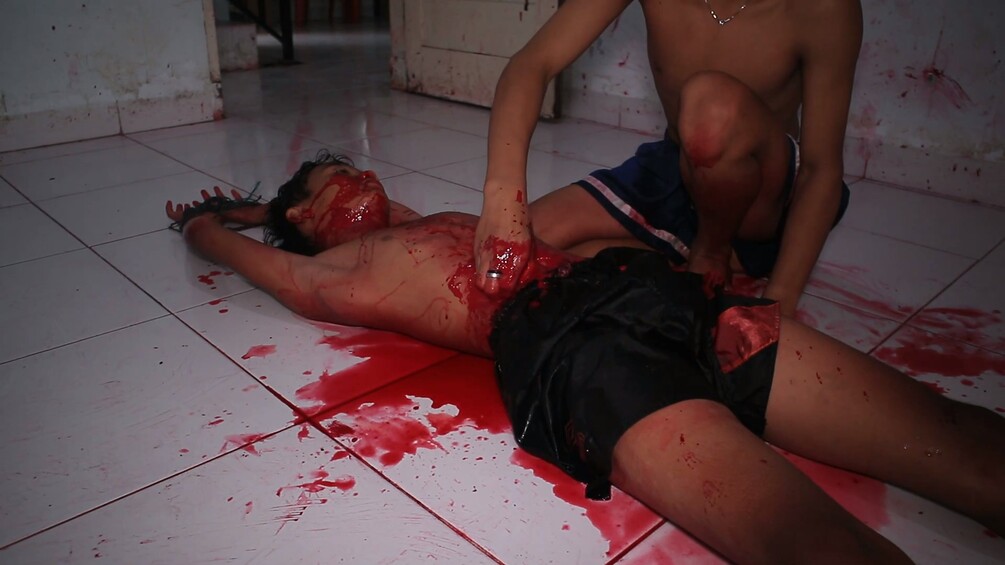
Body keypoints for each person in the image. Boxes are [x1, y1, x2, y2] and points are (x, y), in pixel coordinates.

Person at [167, 153, 1004, 564]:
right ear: (303, 221)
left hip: (654, 293)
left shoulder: (414, 223)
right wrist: (216, 221)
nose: (357, 177)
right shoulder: (331, 274)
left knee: (953, 435)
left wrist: (282, 206)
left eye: (351, 166)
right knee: (800, 537)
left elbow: (392, 218)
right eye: (331, 183)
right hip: (581, 353)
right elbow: (256, 260)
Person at [476, 0, 862, 318]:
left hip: (763, 201)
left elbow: (821, 170)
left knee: (712, 109)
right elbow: (533, 63)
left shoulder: (824, 7)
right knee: (519, 254)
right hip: (678, 166)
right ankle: (685, 259)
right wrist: (503, 198)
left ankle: (714, 251)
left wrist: (779, 302)